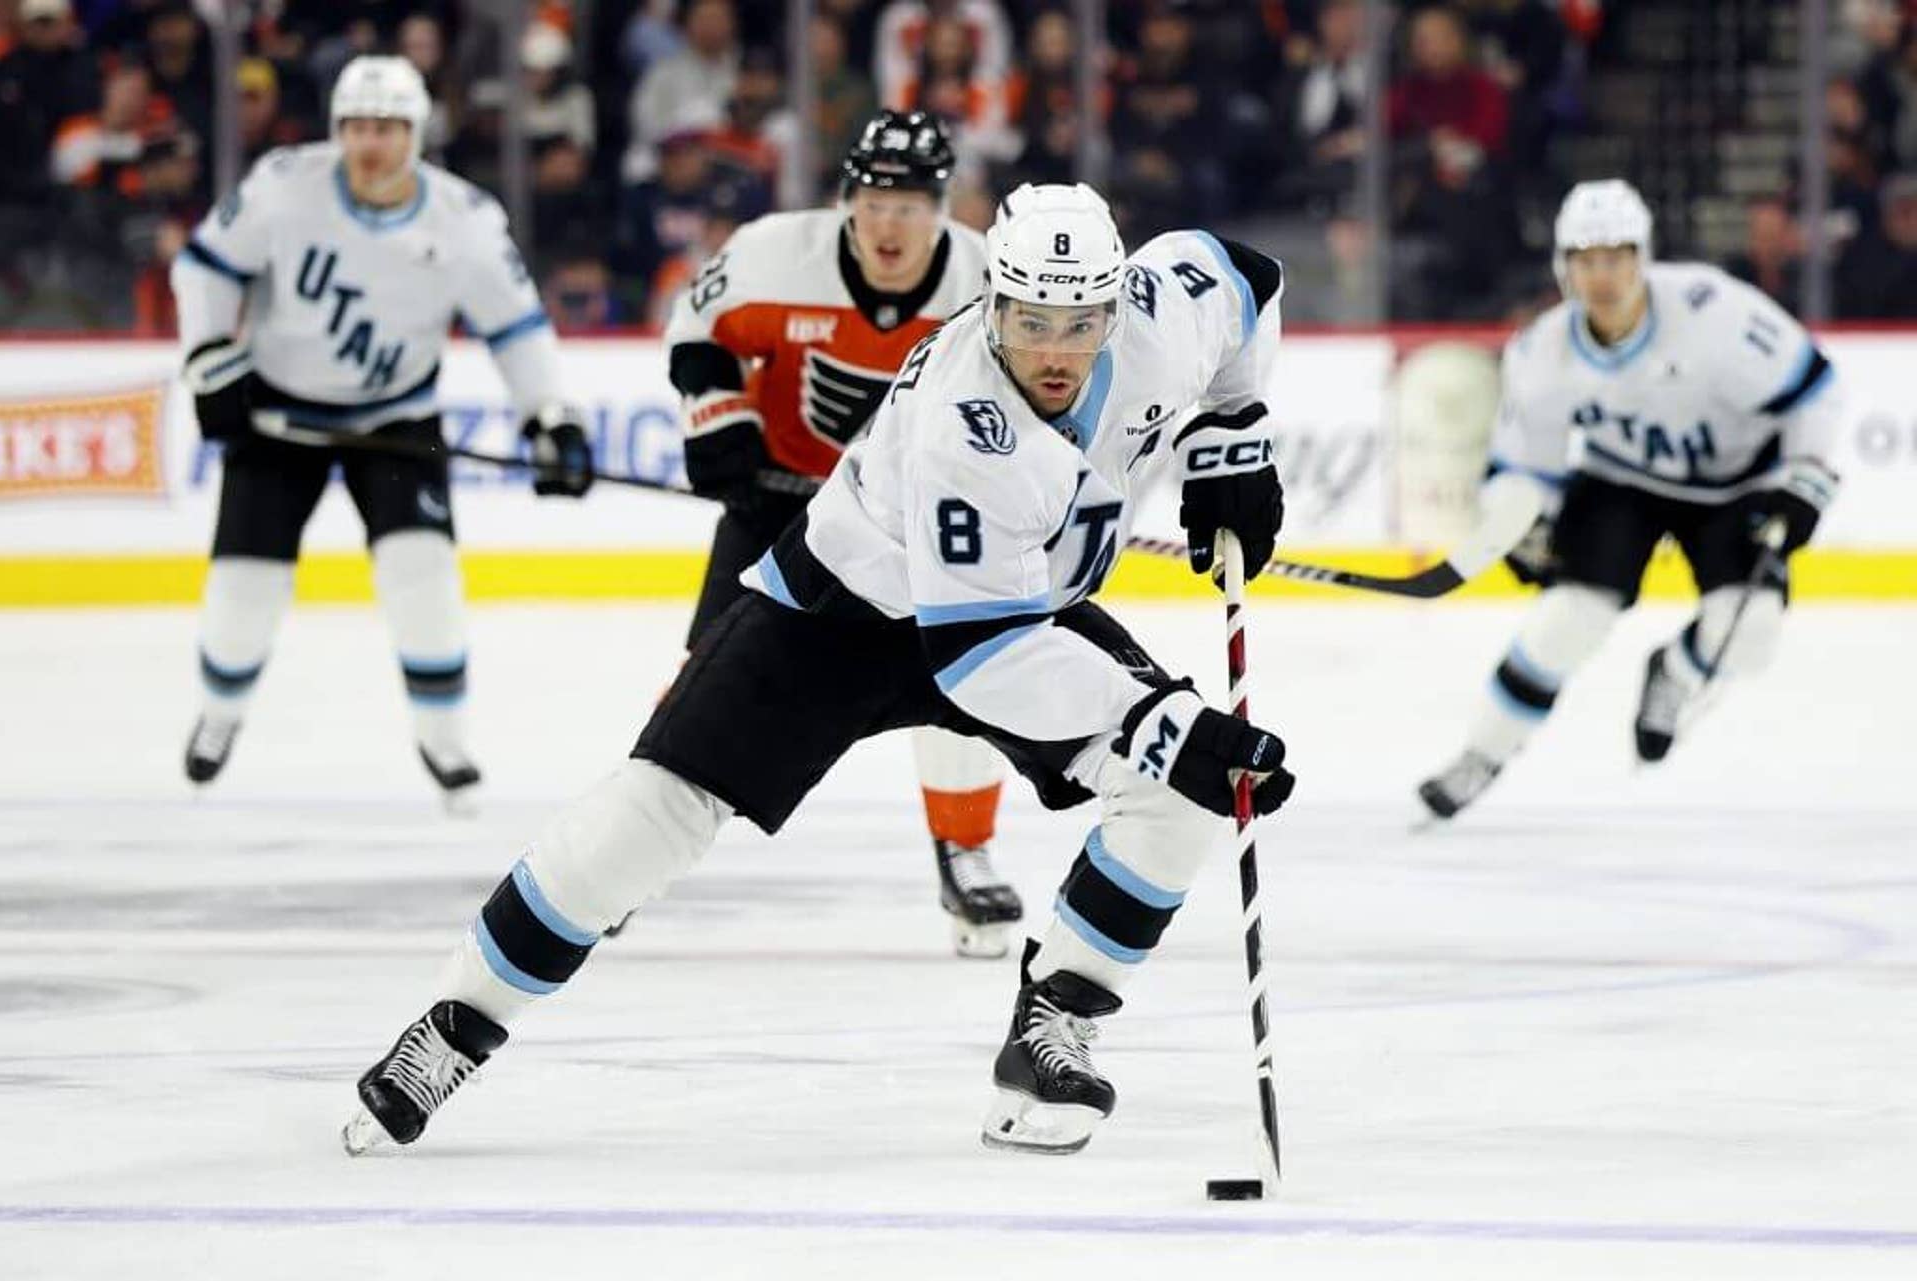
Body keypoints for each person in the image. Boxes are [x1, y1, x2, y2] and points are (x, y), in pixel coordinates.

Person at [341, 181, 1294, 1158]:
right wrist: (1169, 722)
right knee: (649, 819)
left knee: (1179, 791)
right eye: (1032, 320)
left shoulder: (1158, 314)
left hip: (1015, 609)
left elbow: (1247, 280)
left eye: (1082, 321)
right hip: (842, 613)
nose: (1056, 349)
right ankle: (453, 1025)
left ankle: (1050, 1028)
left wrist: (1235, 433)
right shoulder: (965, 421)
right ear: (994, 301)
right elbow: (981, 660)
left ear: (1118, 303)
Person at [170, 56, 595, 809]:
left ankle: (445, 739)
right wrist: (209, 357)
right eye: (357, 128)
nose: (370, 145)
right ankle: (218, 715)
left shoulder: (465, 221)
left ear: (418, 135)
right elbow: (205, 267)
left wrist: (550, 415)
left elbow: (516, 326)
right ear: (337, 130)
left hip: (396, 420)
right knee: (244, 592)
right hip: (279, 419)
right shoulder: (283, 185)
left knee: (422, 579)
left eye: (389, 129)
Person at [663, 110, 1019, 957]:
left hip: (912, 519)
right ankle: (622, 848)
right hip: (780, 500)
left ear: (944, 205)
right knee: (715, 676)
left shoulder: (985, 283)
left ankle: (964, 850)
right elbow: (695, 332)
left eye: (911, 203)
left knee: (962, 673)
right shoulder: (770, 254)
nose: (889, 223)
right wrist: (718, 418)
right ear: (846, 199)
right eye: (873, 199)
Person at [1417, 180, 1842, 819]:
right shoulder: (1542, 351)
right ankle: (1483, 752)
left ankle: (1676, 671)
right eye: (1587, 261)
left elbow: (1816, 389)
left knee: (1749, 633)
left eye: (1616, 258)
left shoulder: (1714, 313)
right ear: (1565, 268)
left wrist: (1804, 482)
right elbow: (1523, 467)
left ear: (1642, 258)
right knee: (1567, 620)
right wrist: (1518, 524)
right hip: (1623, 482)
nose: (1603, 277)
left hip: (1735, 484)